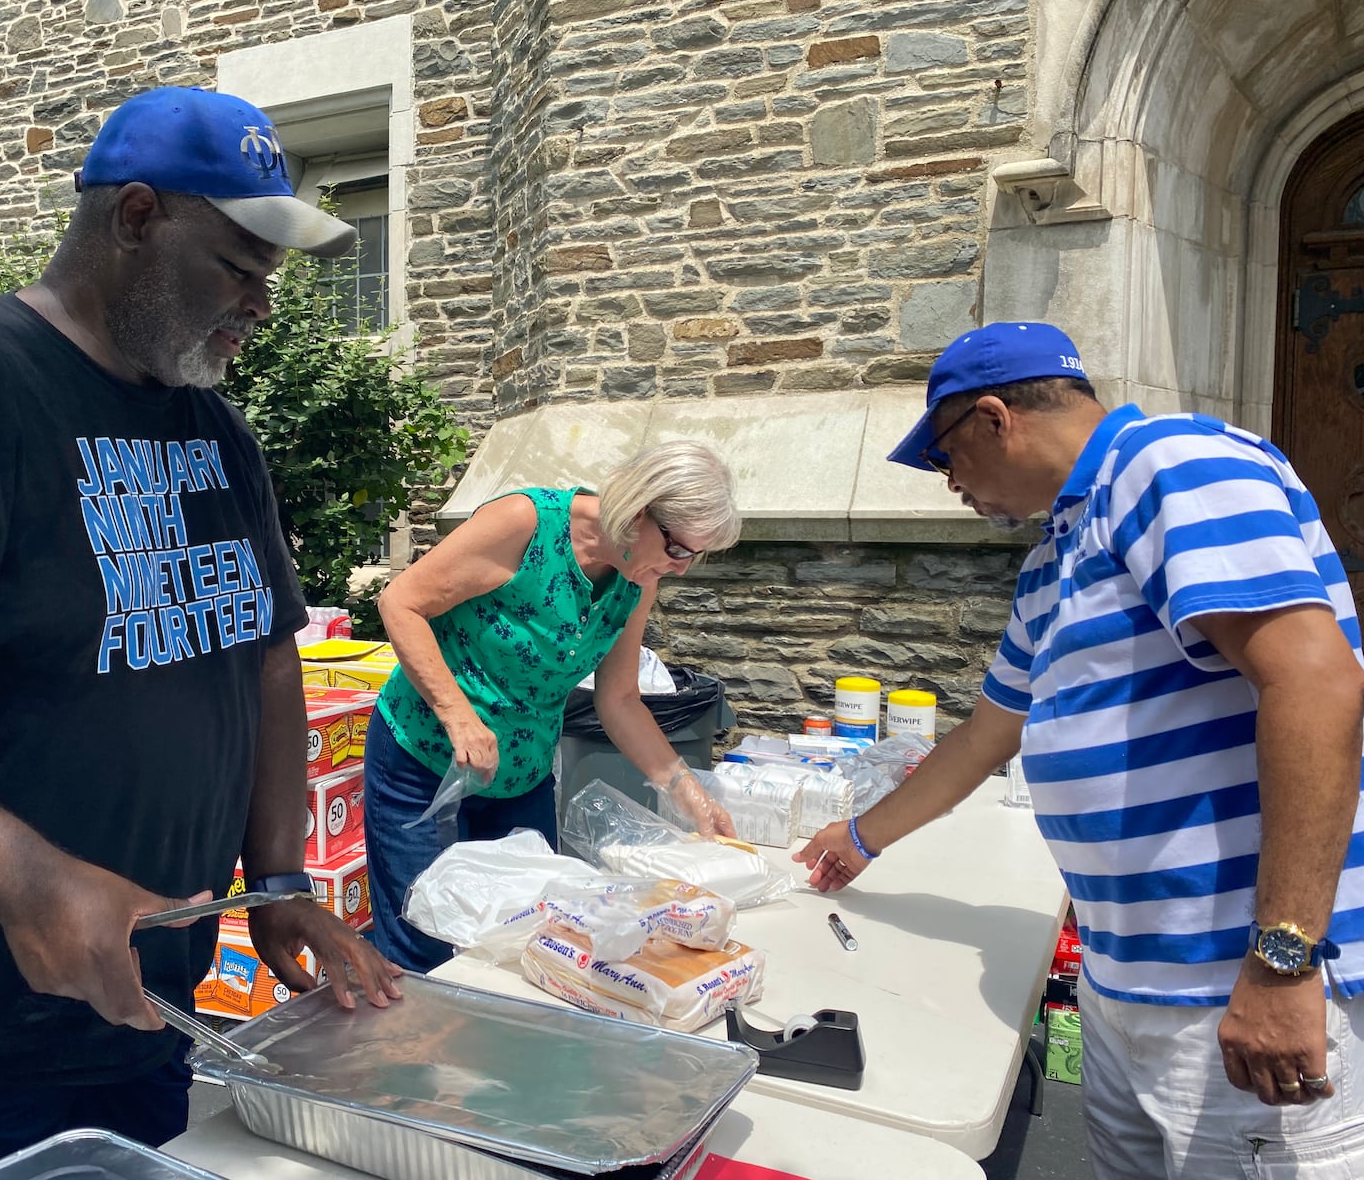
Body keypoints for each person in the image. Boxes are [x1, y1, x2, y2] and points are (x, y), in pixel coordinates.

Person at [0, 86, 402, 1180]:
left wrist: (281, 873)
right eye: (239, 267)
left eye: (269, 279)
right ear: (138, 218)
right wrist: (29, 879)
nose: (259, 305)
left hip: (146, 1004)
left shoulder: (214, 431)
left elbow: (260, 654)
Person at [795, 322, 1364, 1177]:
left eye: (945, 459)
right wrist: (861, 837)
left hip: (1232, 981)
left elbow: (1315, 683)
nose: (949, 485)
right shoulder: (1056, 556)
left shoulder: (1169, 461)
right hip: (1124, 981)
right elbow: (991, 731)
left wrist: (1283, 961)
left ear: (994, 418)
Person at [363, 441, 743, 972]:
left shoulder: (637, 580)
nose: (681, 569)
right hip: (425, 761)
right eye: (680, 550)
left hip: (523, 775)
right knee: (425, 940)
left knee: (528, 938)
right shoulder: (525, 523)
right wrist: (458, 714)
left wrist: (689, 796)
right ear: (640, 513)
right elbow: (401, 601)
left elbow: (620, 700)